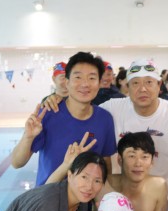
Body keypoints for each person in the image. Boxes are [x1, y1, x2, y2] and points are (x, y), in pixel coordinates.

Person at [44, 58, 168, 205]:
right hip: (122, 205)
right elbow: (83, 111)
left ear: (159, 85)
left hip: (166, 203)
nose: (142, 89)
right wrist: (56, 99)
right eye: (135, 83)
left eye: (149, 82)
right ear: (127, 86)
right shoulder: (113, 108)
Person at [11, 51, 117, 186]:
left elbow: (106, 163)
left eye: (92, 78)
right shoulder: (48, 113)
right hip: (48, 195)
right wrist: (28, 137)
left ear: (99, 83)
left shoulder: (105, 119)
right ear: (67, 82)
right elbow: (17, 163)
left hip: (87, 196)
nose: (85, 84)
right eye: (78, 77)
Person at [48, 132, 168, 211]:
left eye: (145, 157)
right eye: (132, 156)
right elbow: (48, 194)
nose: (138, 163)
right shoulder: (101, 184)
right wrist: (66, 165)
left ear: (152, 161)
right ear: (119, 160)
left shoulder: (158, 187)